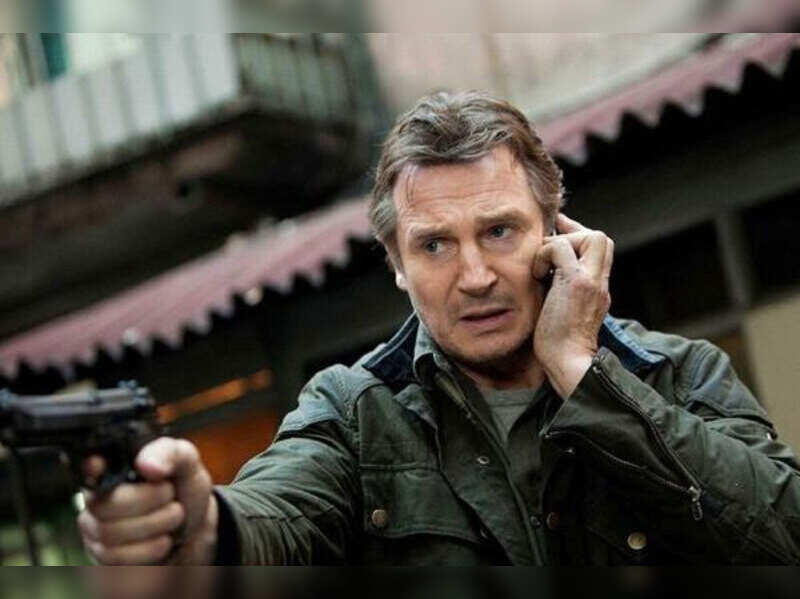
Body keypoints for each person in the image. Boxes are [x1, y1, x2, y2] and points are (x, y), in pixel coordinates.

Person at [78, 90, 800, 565]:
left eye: (499, 230)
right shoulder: (355, 413)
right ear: (397, 263)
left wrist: (584, 374)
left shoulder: (677, 373)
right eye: (434, 245)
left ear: (556, 233)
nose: (475, 275)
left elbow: (782, 534)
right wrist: (201, 523)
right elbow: (280, 514)